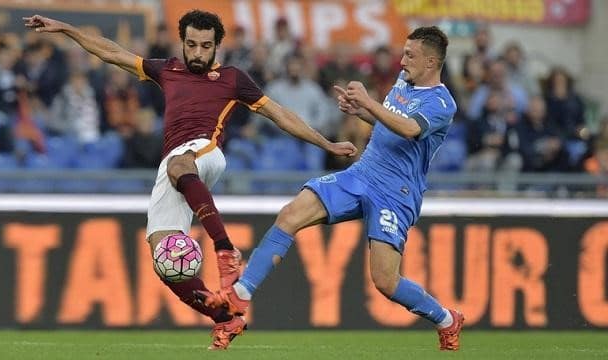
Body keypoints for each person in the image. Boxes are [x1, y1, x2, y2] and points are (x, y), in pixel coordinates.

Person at [23, 10, 356, 350]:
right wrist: (66, 28)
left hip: (204, 151)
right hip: (175, 164)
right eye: (192, 45)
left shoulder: (232, 78)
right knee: (163, 259)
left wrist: (326, 144)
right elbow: (110, 52)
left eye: (206, 46)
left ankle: (225, 251)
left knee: (181, 162)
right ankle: (226, 318)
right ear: (182, 42)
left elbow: (280, 114)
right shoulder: (167, 70)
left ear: (217, 47)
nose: (198, 53)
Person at [197, 26, 465, 351]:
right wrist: (361, 111)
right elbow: (390, 124)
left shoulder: (442, 102)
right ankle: (241, 296)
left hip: (397, 193)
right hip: (362, 174)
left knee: (385, 281)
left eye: (410, 55)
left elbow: (409, 129)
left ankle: (446, 319)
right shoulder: (404, 82)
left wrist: (369, 101)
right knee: (291, 213)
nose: (402, 60)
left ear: (432, 61)